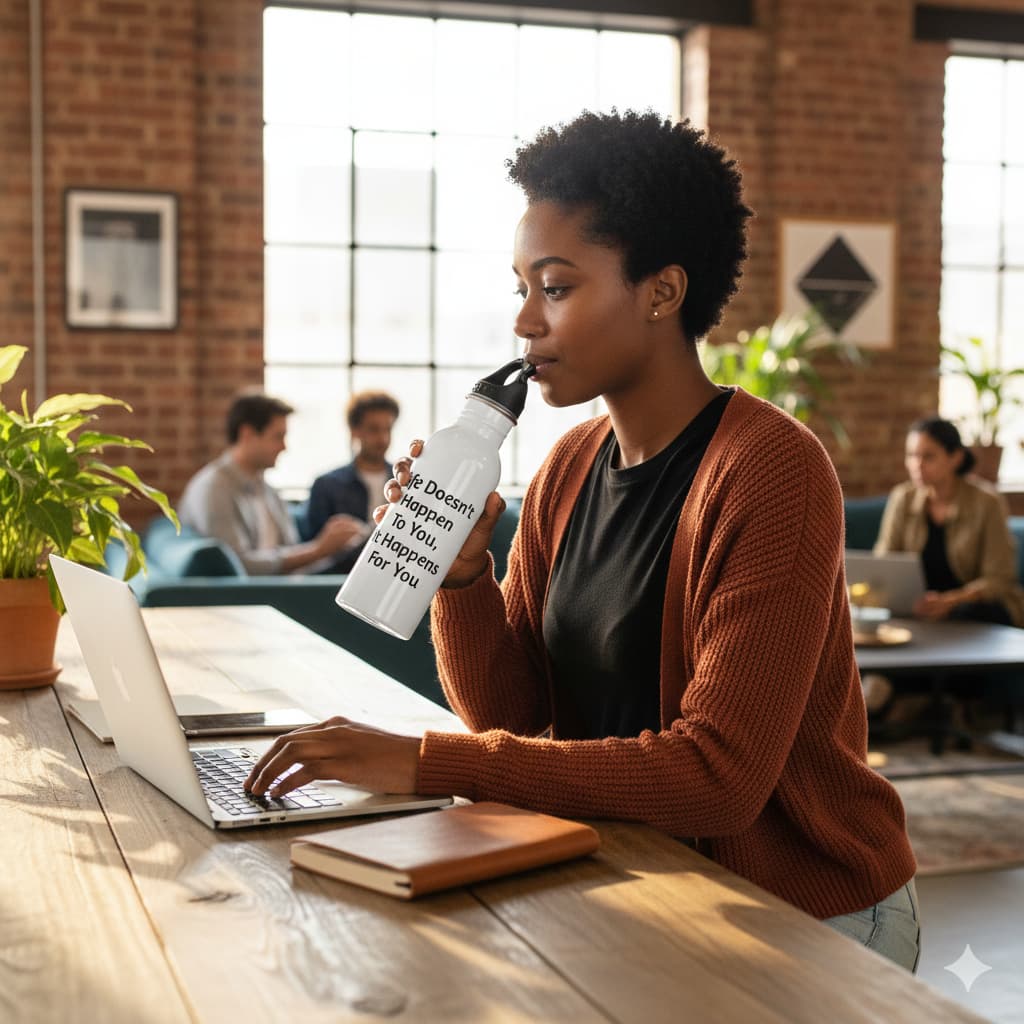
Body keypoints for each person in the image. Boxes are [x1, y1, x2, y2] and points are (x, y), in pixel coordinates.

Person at [246, 110, 919, 969]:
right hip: (644, 876)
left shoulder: (771, 469)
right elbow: (516, 720)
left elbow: (717, 778)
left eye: (556, 288)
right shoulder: (568, 466)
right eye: (521, 288)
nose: (526, 322)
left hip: (802, 911)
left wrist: (422, 762)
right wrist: (462, 581)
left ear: (662, 292)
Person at [179, 392, 365, 575]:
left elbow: (291, 549)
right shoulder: (215, 488)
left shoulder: (265, 488)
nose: (284, 447)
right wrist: (318, 550)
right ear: (248, 434)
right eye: (278, 436)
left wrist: (331, 546)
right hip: (261, 596)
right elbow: (240, 565)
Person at [874, 416, 1024, 627]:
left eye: (928, 457)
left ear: (956, 458)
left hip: (974, 607)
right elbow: (884, 561)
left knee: (968, 613)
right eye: (912, 455)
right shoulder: (902, 498)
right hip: (918, 608)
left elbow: (999, 579)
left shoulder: (987, 502)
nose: (917, 465)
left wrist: (951, 601)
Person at [305, 390, 400, 573]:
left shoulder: (406, 483)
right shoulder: (326, 485)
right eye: (373, 429)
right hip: (342, 575)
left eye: (387, 429)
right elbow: (317, 551)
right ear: (354, 431)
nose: (382, 438)